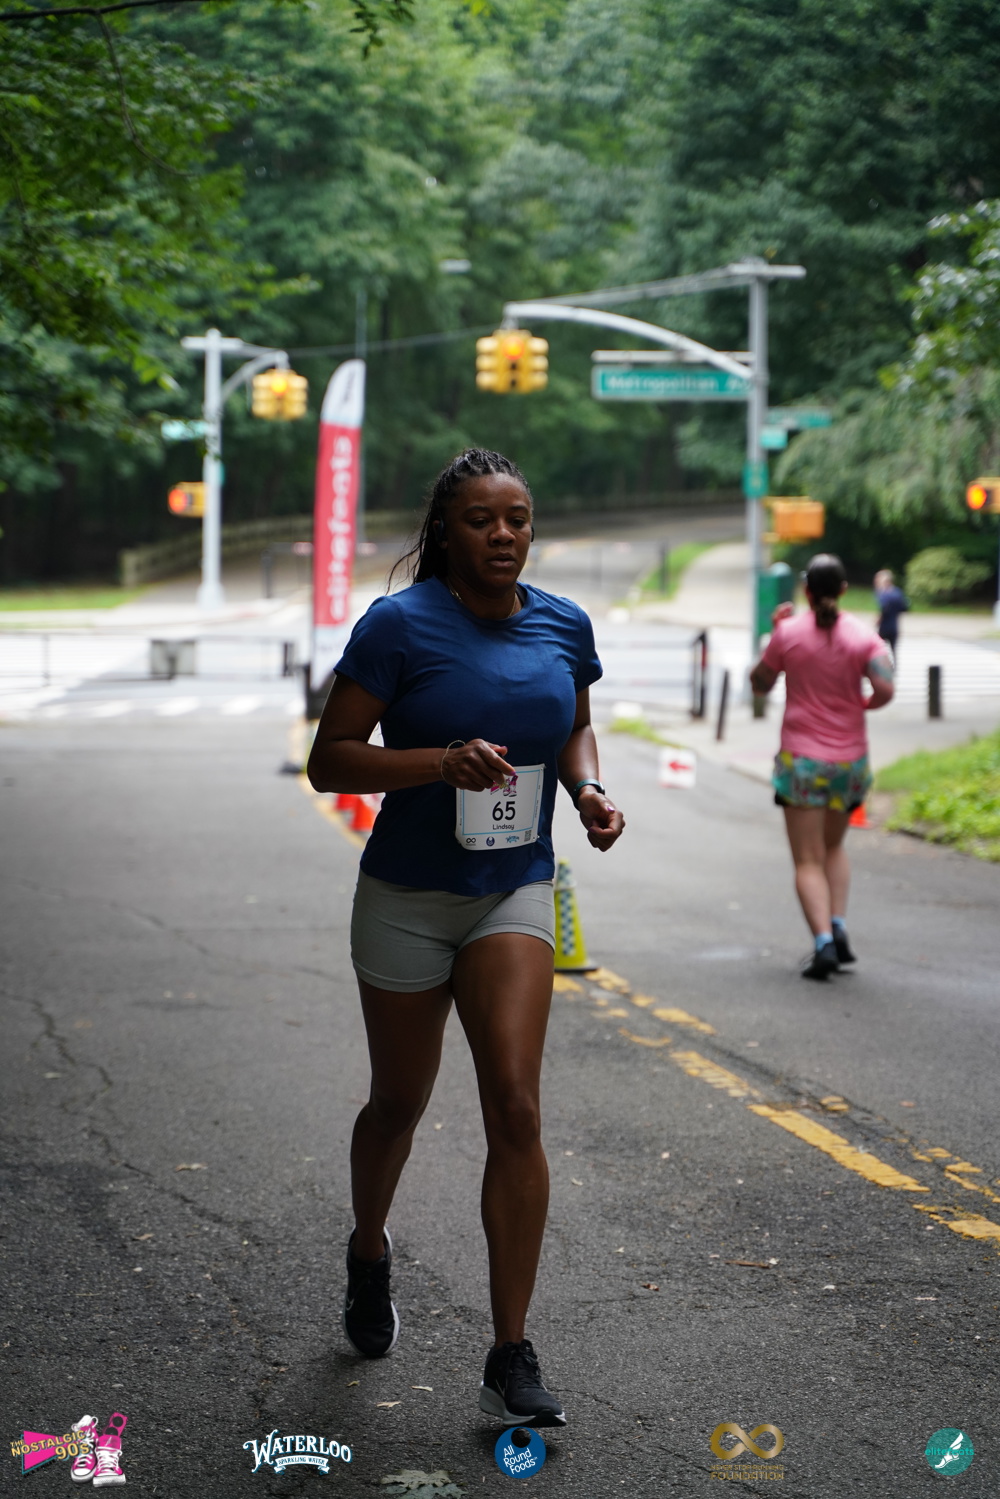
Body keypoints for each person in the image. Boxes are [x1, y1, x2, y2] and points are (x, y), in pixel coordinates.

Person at [307, 448, 625, 1428]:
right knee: (397, 1102)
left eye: (517, 518)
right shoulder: (398, 624)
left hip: (511, 890)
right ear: (446, 532)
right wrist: (437, 762)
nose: (503, 534)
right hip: (406, 895)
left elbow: (571, 724)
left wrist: (587, 788)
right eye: (482, 519)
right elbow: (329, 759)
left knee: (516, 1107)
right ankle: (369, 1248)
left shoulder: (564, 624)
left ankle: (509, 1351)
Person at [749, 554, 894, 980]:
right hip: (850, 762)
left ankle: (823, 943)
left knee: (807, 860)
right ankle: (839, 925)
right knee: (833, 848)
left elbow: (760, 683)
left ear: (806, 591)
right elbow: (886, 687)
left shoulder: (788, 633)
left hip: (802, 763)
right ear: (844, 590)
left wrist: (774, 636)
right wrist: (865, 704)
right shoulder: (864, 636)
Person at [873, 568, 909, 659]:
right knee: (893, 651)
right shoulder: (897, 592)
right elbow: (904, 608)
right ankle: (893, 666)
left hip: (884, 627)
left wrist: (878, 619)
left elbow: (884, 608)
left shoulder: (883, 593)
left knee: (879, 649)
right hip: (894, 626)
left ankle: (882, 665)